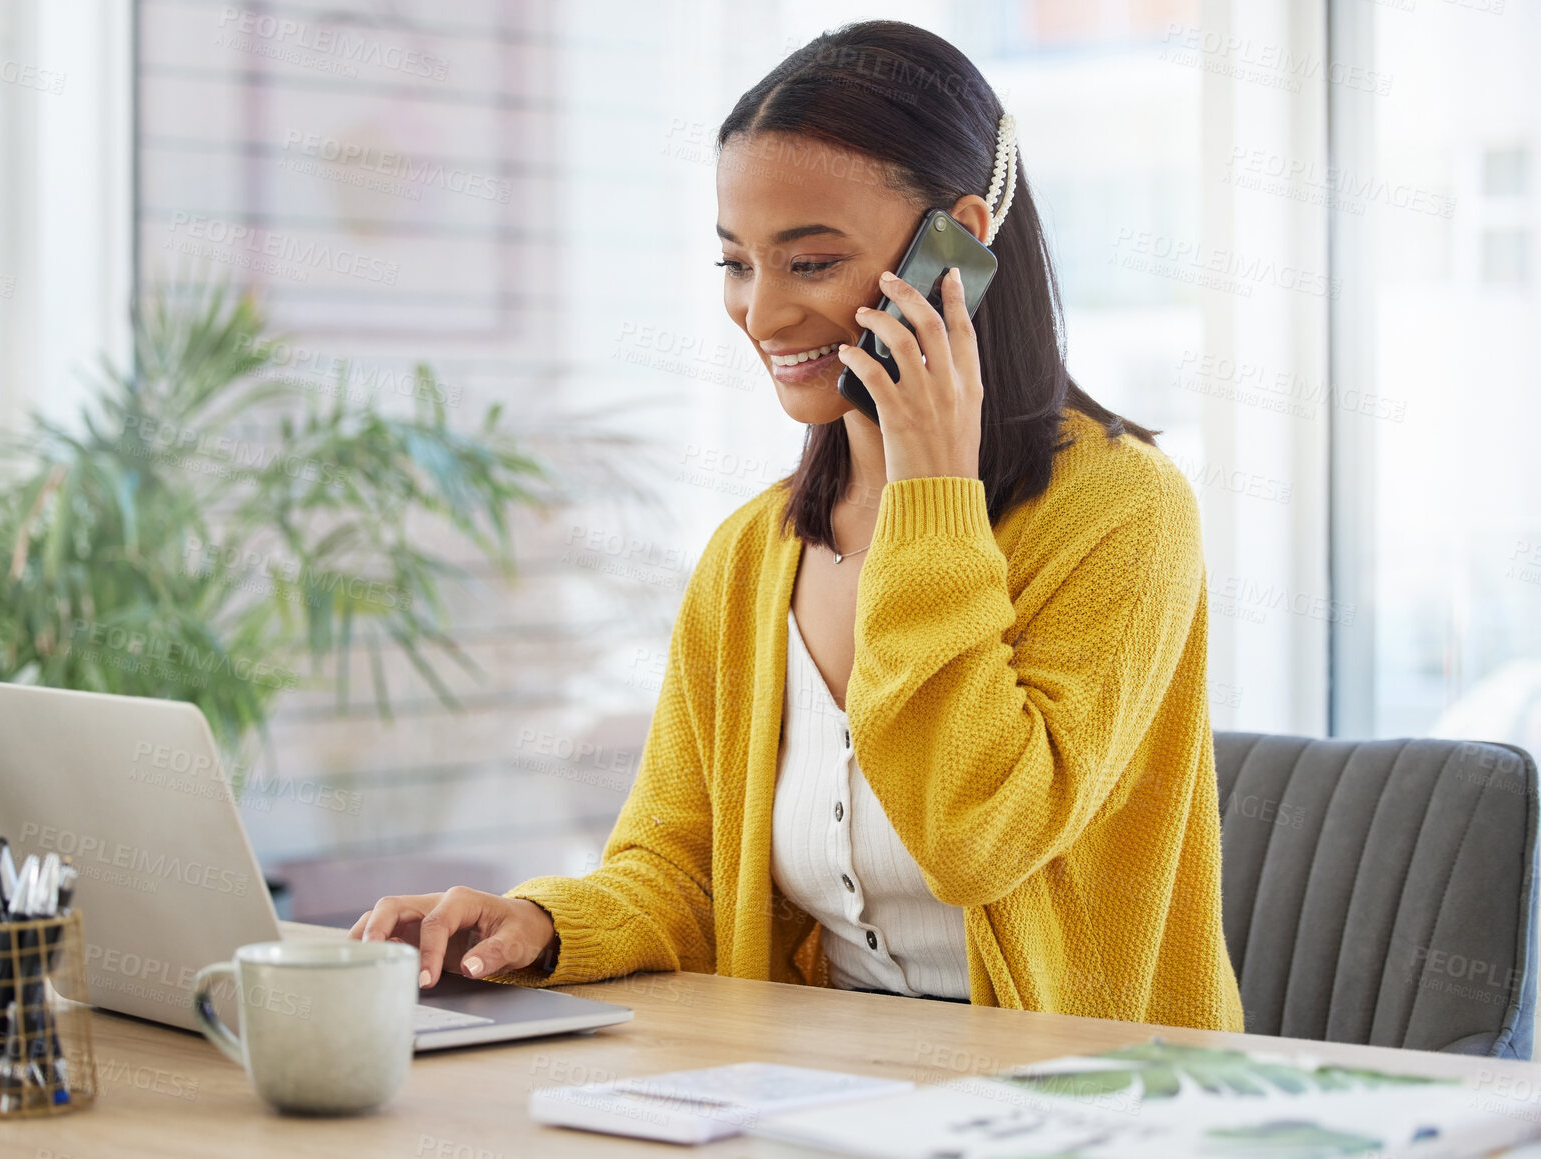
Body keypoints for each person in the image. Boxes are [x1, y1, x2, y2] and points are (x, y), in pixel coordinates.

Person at [351, 19, 1244, 1032]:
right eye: (736, 263)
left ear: (955, 244)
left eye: (809, 262)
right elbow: (681, 867)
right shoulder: (751, 554)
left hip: (1088, 1103)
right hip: (826, 1085)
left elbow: (974, 834)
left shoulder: (1123, 510)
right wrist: (539, 923)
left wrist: (931, 495)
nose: (761, 314)